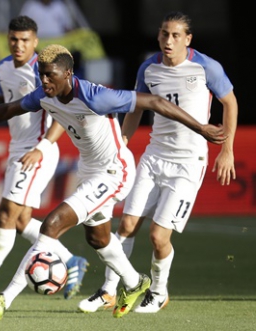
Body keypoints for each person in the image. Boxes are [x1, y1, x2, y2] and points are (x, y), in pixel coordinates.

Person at [0, 44, 227, 321]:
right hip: (89, 171)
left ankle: (4, 299)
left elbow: (154, 101)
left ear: (67, 74)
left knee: (51, 224)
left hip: (115, 171)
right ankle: (134, 281)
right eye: (41, 74)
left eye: (50, 75)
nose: (44, 80)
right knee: (97, 238)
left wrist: (201, 127)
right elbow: (8, 109)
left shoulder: (95, 96)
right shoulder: (43, 95)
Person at [78, 11, 238, 314]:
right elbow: (136, 107)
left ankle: (158, 291)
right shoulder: (149, 68)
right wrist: (121, 144)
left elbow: (229, 102)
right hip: (154, 157)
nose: (168, 40)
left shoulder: (205, 66)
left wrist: (226, 150)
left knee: (157, 235)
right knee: (125, 225)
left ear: (187, 39)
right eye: (164, 34)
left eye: (176, 35)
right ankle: (109, 291)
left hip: (188, 162)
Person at [0, 16, 88, 301]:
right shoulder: (4, 67)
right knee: (21, 219)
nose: (18, 45)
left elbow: (63, 115)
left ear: (35, 42)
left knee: (7, 213)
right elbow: (4, 97)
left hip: (38, 151)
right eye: (14, 39)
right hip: (19, 148)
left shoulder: (44, 72)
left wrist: (42, 147)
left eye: (25, 40)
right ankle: (70, 259)